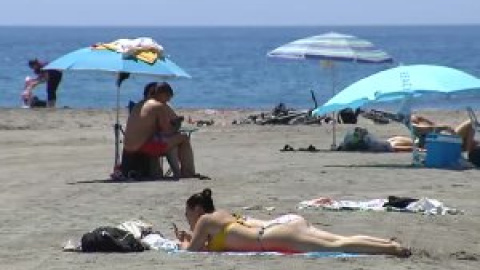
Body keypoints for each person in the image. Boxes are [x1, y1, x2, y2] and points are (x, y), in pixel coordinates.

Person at [173, 188, 411, 257]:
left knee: (336, 247)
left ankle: (391, 249)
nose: (190, 220)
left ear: (196, 209)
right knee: (340, 239)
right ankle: (387, 243)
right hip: (282, 224)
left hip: (274, 235)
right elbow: (217, 242)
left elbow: (192, 252)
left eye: (188, 215)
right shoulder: (222, 215)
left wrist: (182, 242)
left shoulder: (204, 219)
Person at [121, 81, 195, 179]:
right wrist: (177, 124)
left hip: (128, 149)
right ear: (163, 95)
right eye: (168, 98)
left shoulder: (139, 104)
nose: (168, 101)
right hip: (143, 147)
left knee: (171, 142)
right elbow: (167, 131)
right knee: (183, 137)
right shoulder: (158, 106)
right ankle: (188, 172)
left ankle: (176, 172)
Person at [386, 114, 476, 152]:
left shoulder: (396, 139)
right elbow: (398, 148)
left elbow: (417, 119)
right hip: (446, 141)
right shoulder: (393, 142)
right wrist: (441, 127)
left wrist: (434, 125)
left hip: (445, 140)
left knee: (472, 131)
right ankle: (468, 151)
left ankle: (468, 149)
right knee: (471, 122)